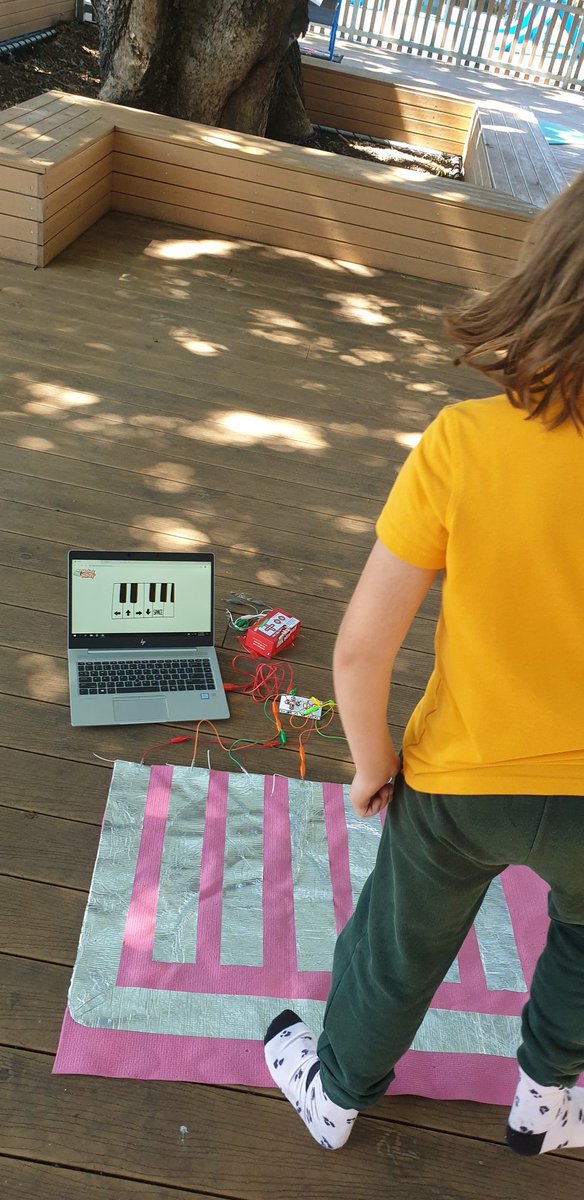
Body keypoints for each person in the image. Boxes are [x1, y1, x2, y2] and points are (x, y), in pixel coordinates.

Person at [264, 170, 584, 1156]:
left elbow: (360, 649)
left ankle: (337, 1095)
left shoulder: (462, 443)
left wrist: (370, 769)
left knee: (393, 948)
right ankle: (545, 1105)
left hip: (452, 785)